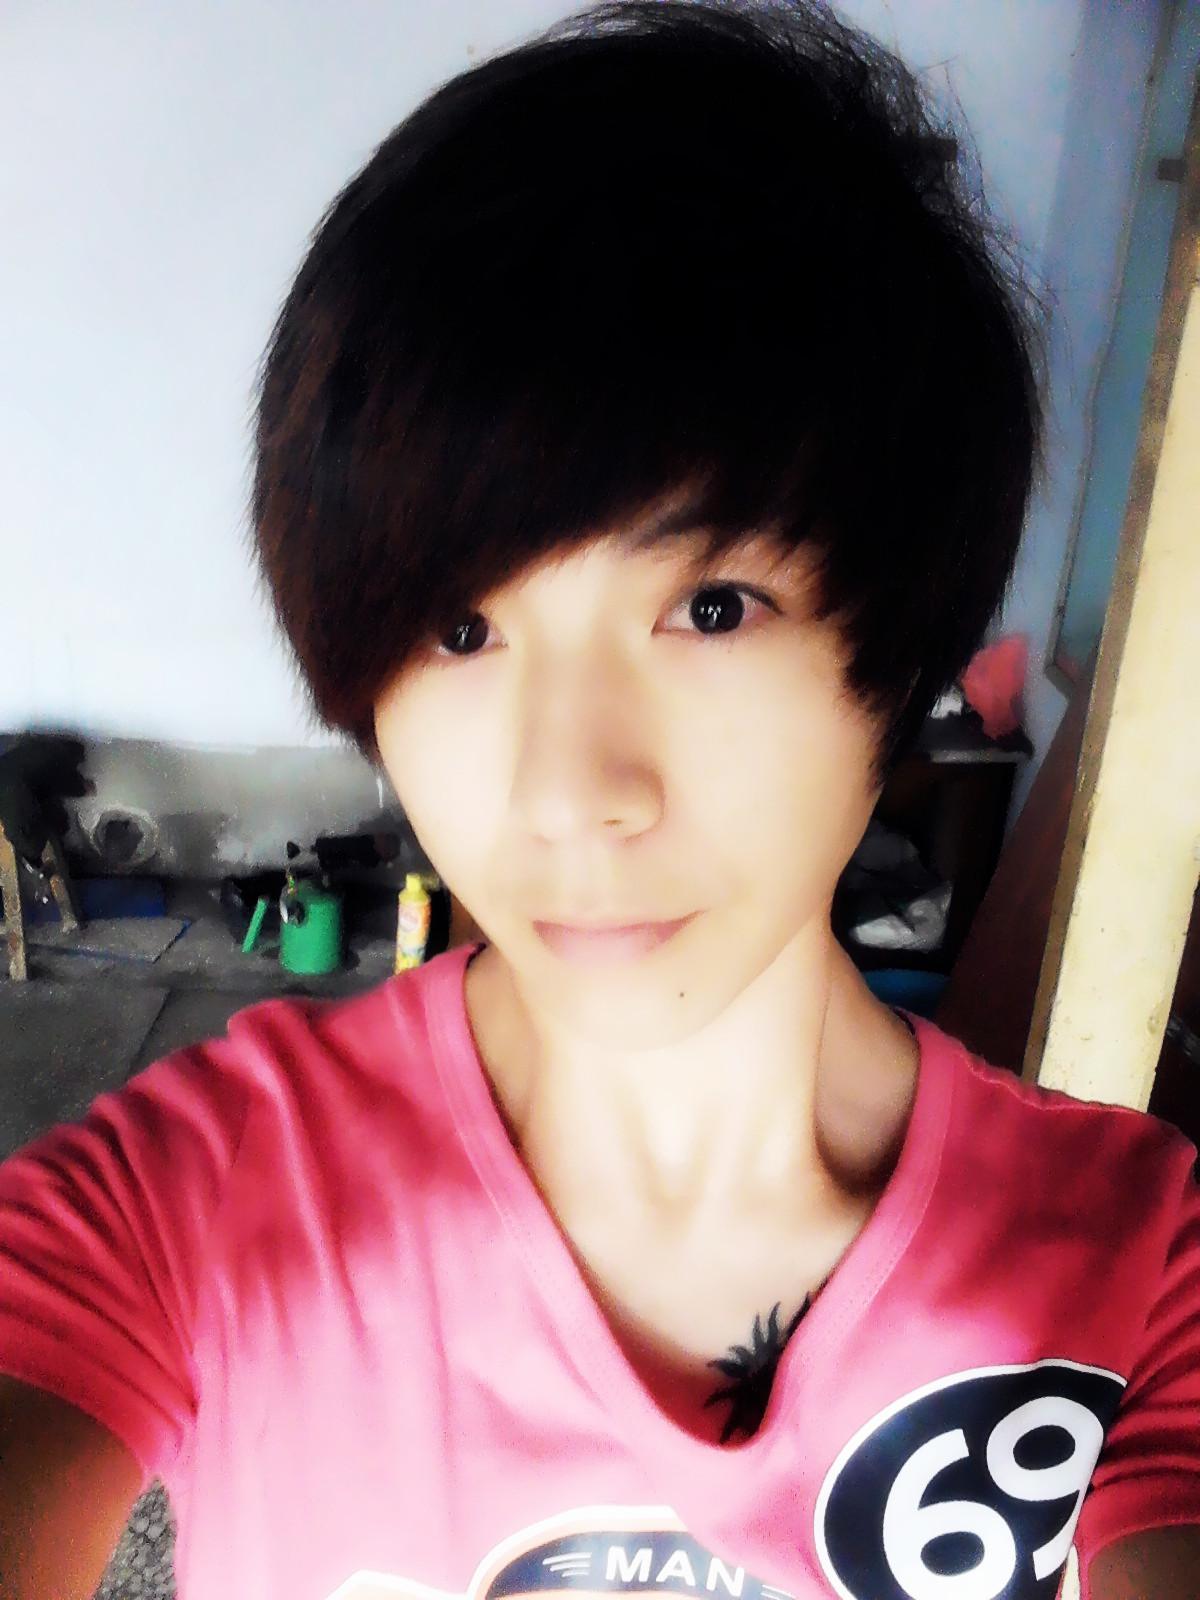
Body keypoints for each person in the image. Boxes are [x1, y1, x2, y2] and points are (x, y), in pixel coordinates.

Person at [1, 3, 1197, 1597]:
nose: (570, 794)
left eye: (709, 608)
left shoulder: (1131, 1274)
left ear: (898, 650)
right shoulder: (192, 1207)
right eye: (459, 629)